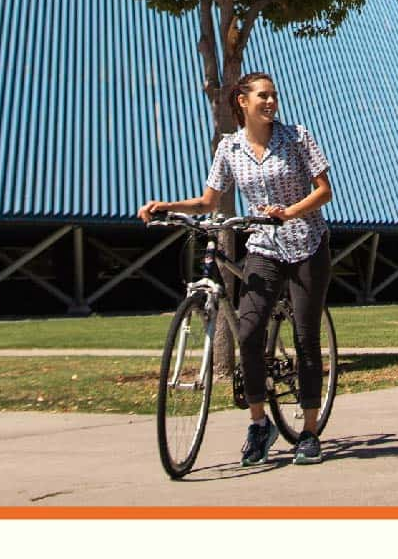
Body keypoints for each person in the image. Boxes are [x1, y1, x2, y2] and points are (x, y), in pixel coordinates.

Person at [139, 71, 333, 467]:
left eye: (273, 95)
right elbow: (210, 201)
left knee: (305, 336)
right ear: (242, 102)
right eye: (262, 95)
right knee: (248, 330)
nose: (271, 101)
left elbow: (324, 190)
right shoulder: (229, 148)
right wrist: (167, 206)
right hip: (262, 246)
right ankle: (260, 423)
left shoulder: (296, 136)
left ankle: (310, 431)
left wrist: (290, 213)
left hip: (306, 244)